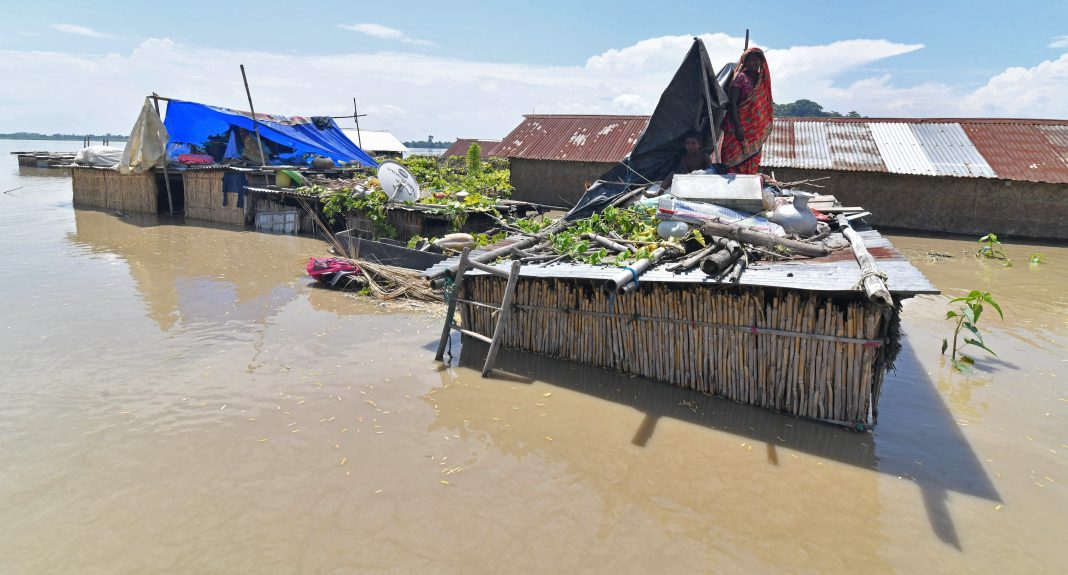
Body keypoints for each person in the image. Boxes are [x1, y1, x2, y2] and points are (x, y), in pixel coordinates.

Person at [720, 47, 773, 174]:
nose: (752, 63)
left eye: (755, 60)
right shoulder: (741, 78)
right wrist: (738, 128)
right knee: (732, 159)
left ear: (761, 61)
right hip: (736, 126)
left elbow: (764, 104)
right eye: (748, 61)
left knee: (752, 158)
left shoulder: (763, 81)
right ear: (744, 62)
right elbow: (732, 103)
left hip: (755, 129)